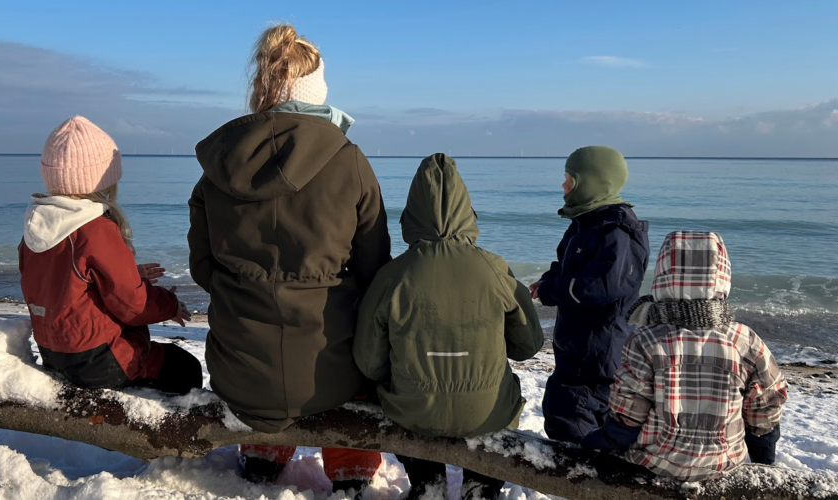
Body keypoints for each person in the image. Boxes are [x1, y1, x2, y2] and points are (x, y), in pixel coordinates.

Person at [190, 23, 388, 495]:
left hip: (238, 370)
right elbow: (375, 271)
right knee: (357, 361)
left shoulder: (219, 165)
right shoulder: (350, 160)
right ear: (318, 92)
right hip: (329, 374)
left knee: (272, 361)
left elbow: (202, 268)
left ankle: (261, 457)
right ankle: (352, 473)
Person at [355, 154, 544, 500]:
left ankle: (428, 482)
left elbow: (368, 361)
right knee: (500, 403)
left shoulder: (393, 276)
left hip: (414, 410)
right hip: (486, 410)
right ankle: (481, 484)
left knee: (397, 400)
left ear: (410, 216)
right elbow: (528, 345)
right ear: (466, 212)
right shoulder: (494, 268)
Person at [580, 231, 789, 481]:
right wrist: (764, 459)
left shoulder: (646, 339)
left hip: (655, 460)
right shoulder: (744, 339)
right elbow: (765, 407)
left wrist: (604, 440)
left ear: (663, 274)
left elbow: (628, 412)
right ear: (723, 275)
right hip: (723, 462)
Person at [19, 116, 202, 395]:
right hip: (100, 360)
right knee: (185, 367)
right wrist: (170, 305)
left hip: (54, 352)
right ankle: (168, 435)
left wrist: (128, 272)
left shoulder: (36, 227)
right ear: (104, 180)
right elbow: (131, 305)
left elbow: (62, 283)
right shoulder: (96, 229)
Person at [530, 146, 650, 443]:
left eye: (569, 180)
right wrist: (548, 279)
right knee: (562, 407)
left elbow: (601, 286)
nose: (563, 186)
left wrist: (551, 290)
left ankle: (583, 478)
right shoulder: (585, 221)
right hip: (577, 344)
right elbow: (568, 265)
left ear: (592, 182)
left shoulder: (618, 230)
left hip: (599, 350)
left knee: (571, 413)